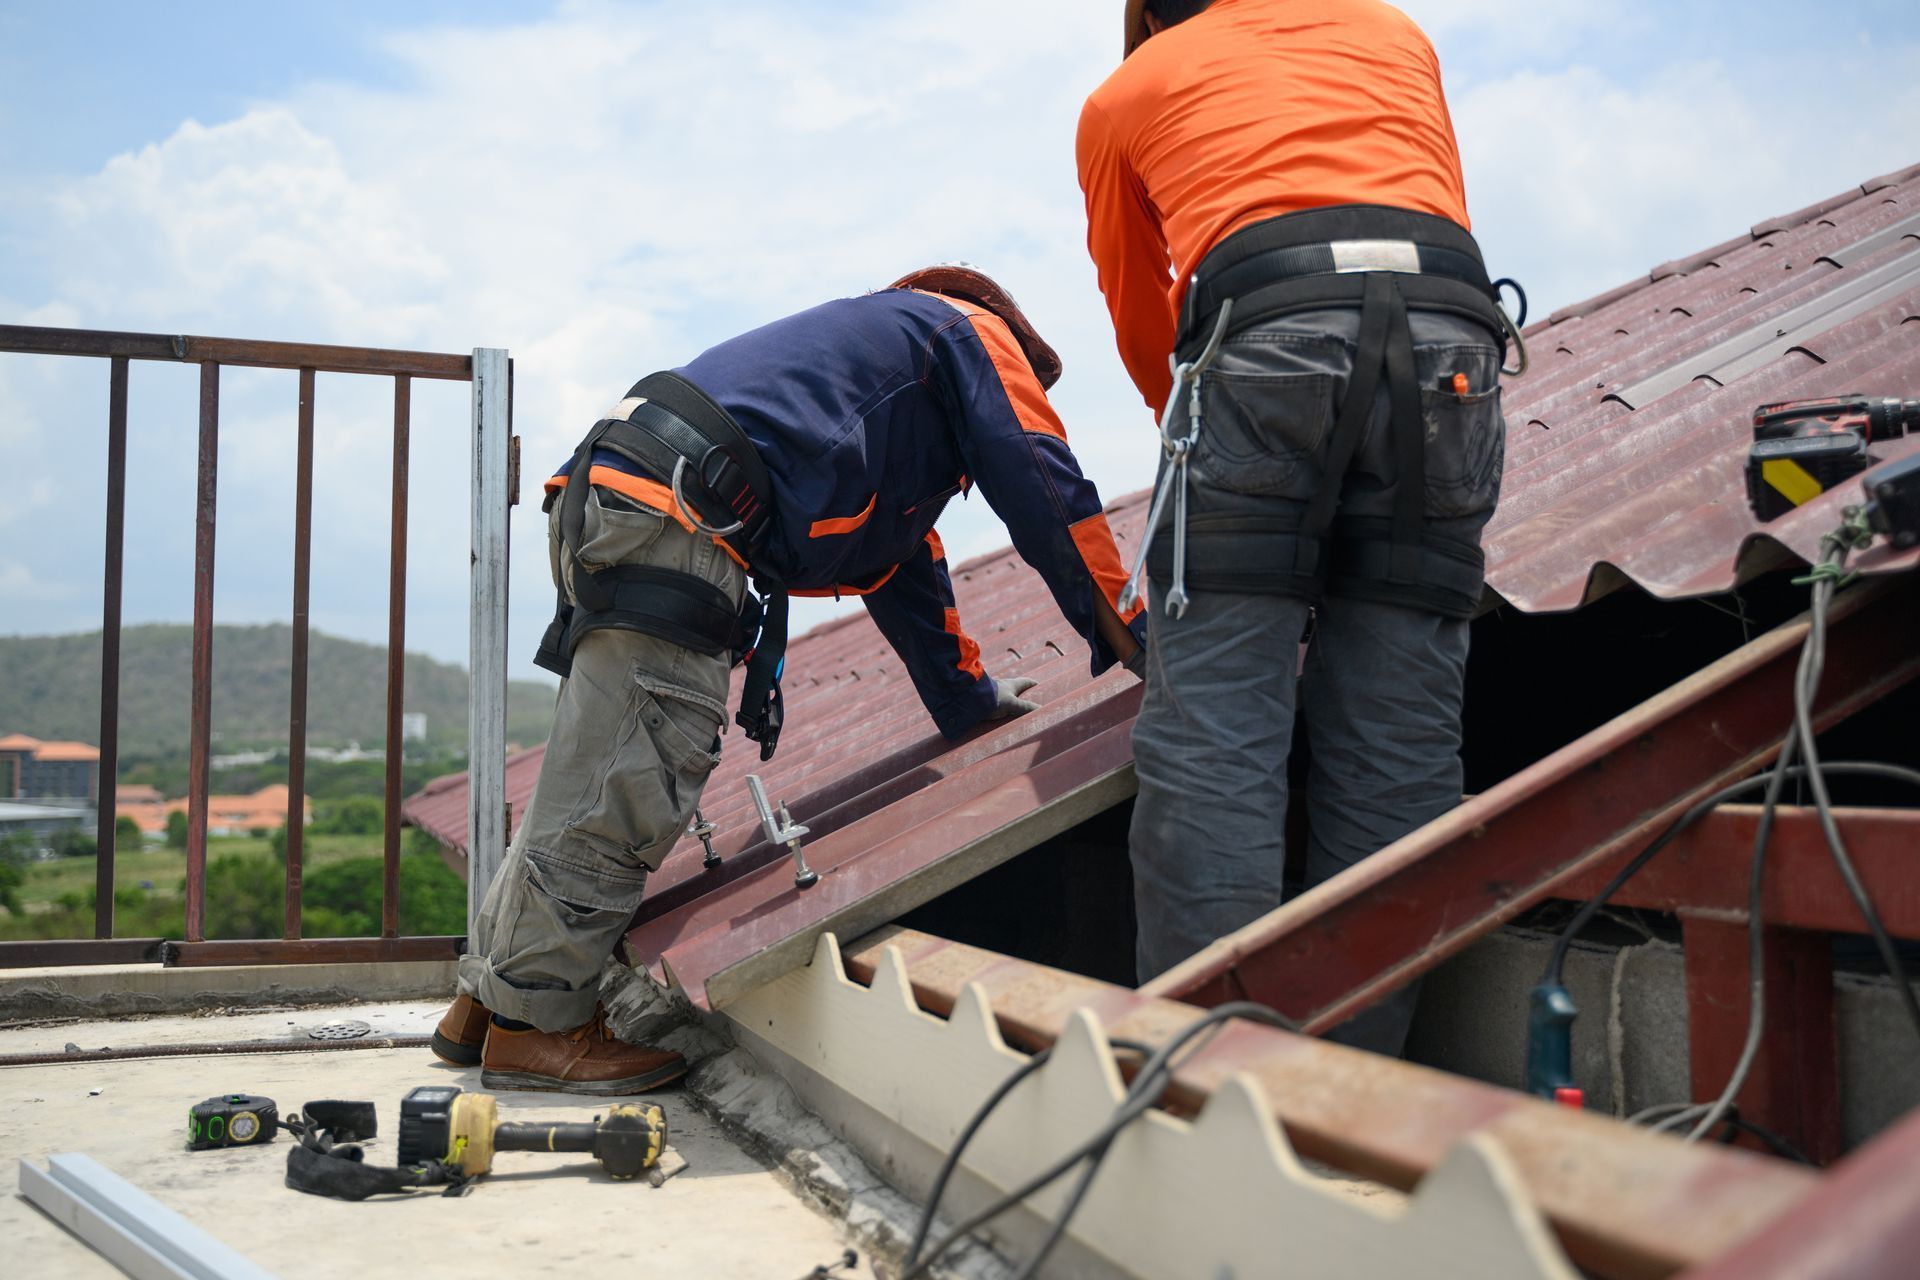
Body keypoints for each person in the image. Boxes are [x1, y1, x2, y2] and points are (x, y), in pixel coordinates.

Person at [432, 266, 1147, 1092]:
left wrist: (967, 701)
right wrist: (1133, 634)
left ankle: (486, 1003)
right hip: (678, 509)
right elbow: (1042, 479)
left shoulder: (880, 370)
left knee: (587, 770)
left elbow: (901, 565)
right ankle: (535, 1028)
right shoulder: (967, 334)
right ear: (1013, 341)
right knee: (626, 785)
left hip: (623, 490)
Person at [1078, 0, 1512, 1053]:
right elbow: (1436, 209)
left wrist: (1209, 467)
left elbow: (1144, 309)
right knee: (1400, 732)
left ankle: (1209, 1074)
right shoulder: (1396, 33)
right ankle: (1352, 1077)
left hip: (1264, 336)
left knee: (1217, 726)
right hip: (1451, 345)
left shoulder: (1127, 92)